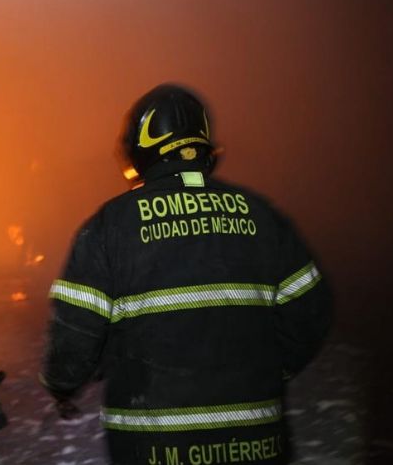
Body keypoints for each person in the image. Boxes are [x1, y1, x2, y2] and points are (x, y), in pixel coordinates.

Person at [40, 84, 333, 464]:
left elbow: (76, 333)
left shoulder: (110, 226)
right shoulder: (262, 216)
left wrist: (61, 385)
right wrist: (268, 370)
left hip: (155, 448)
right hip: (257, 444)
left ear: (140, 152)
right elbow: (311, 312)